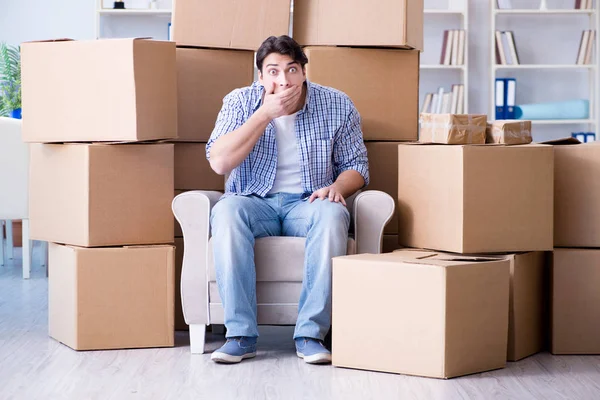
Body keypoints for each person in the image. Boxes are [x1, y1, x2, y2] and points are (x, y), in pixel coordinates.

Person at [206, 35, 369, 365]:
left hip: (308, 202)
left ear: (304, 72)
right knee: (226, 212)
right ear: (261, 77)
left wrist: (337, 187)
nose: (284, 80)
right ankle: (240, 336)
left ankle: (310, 335)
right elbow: (219, 162)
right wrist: (264, 114)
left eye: (292, 69)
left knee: (332, 215)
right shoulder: (239, 102)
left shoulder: (337, 104)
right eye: (273, 71)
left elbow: (358, 166)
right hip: (253, 201)